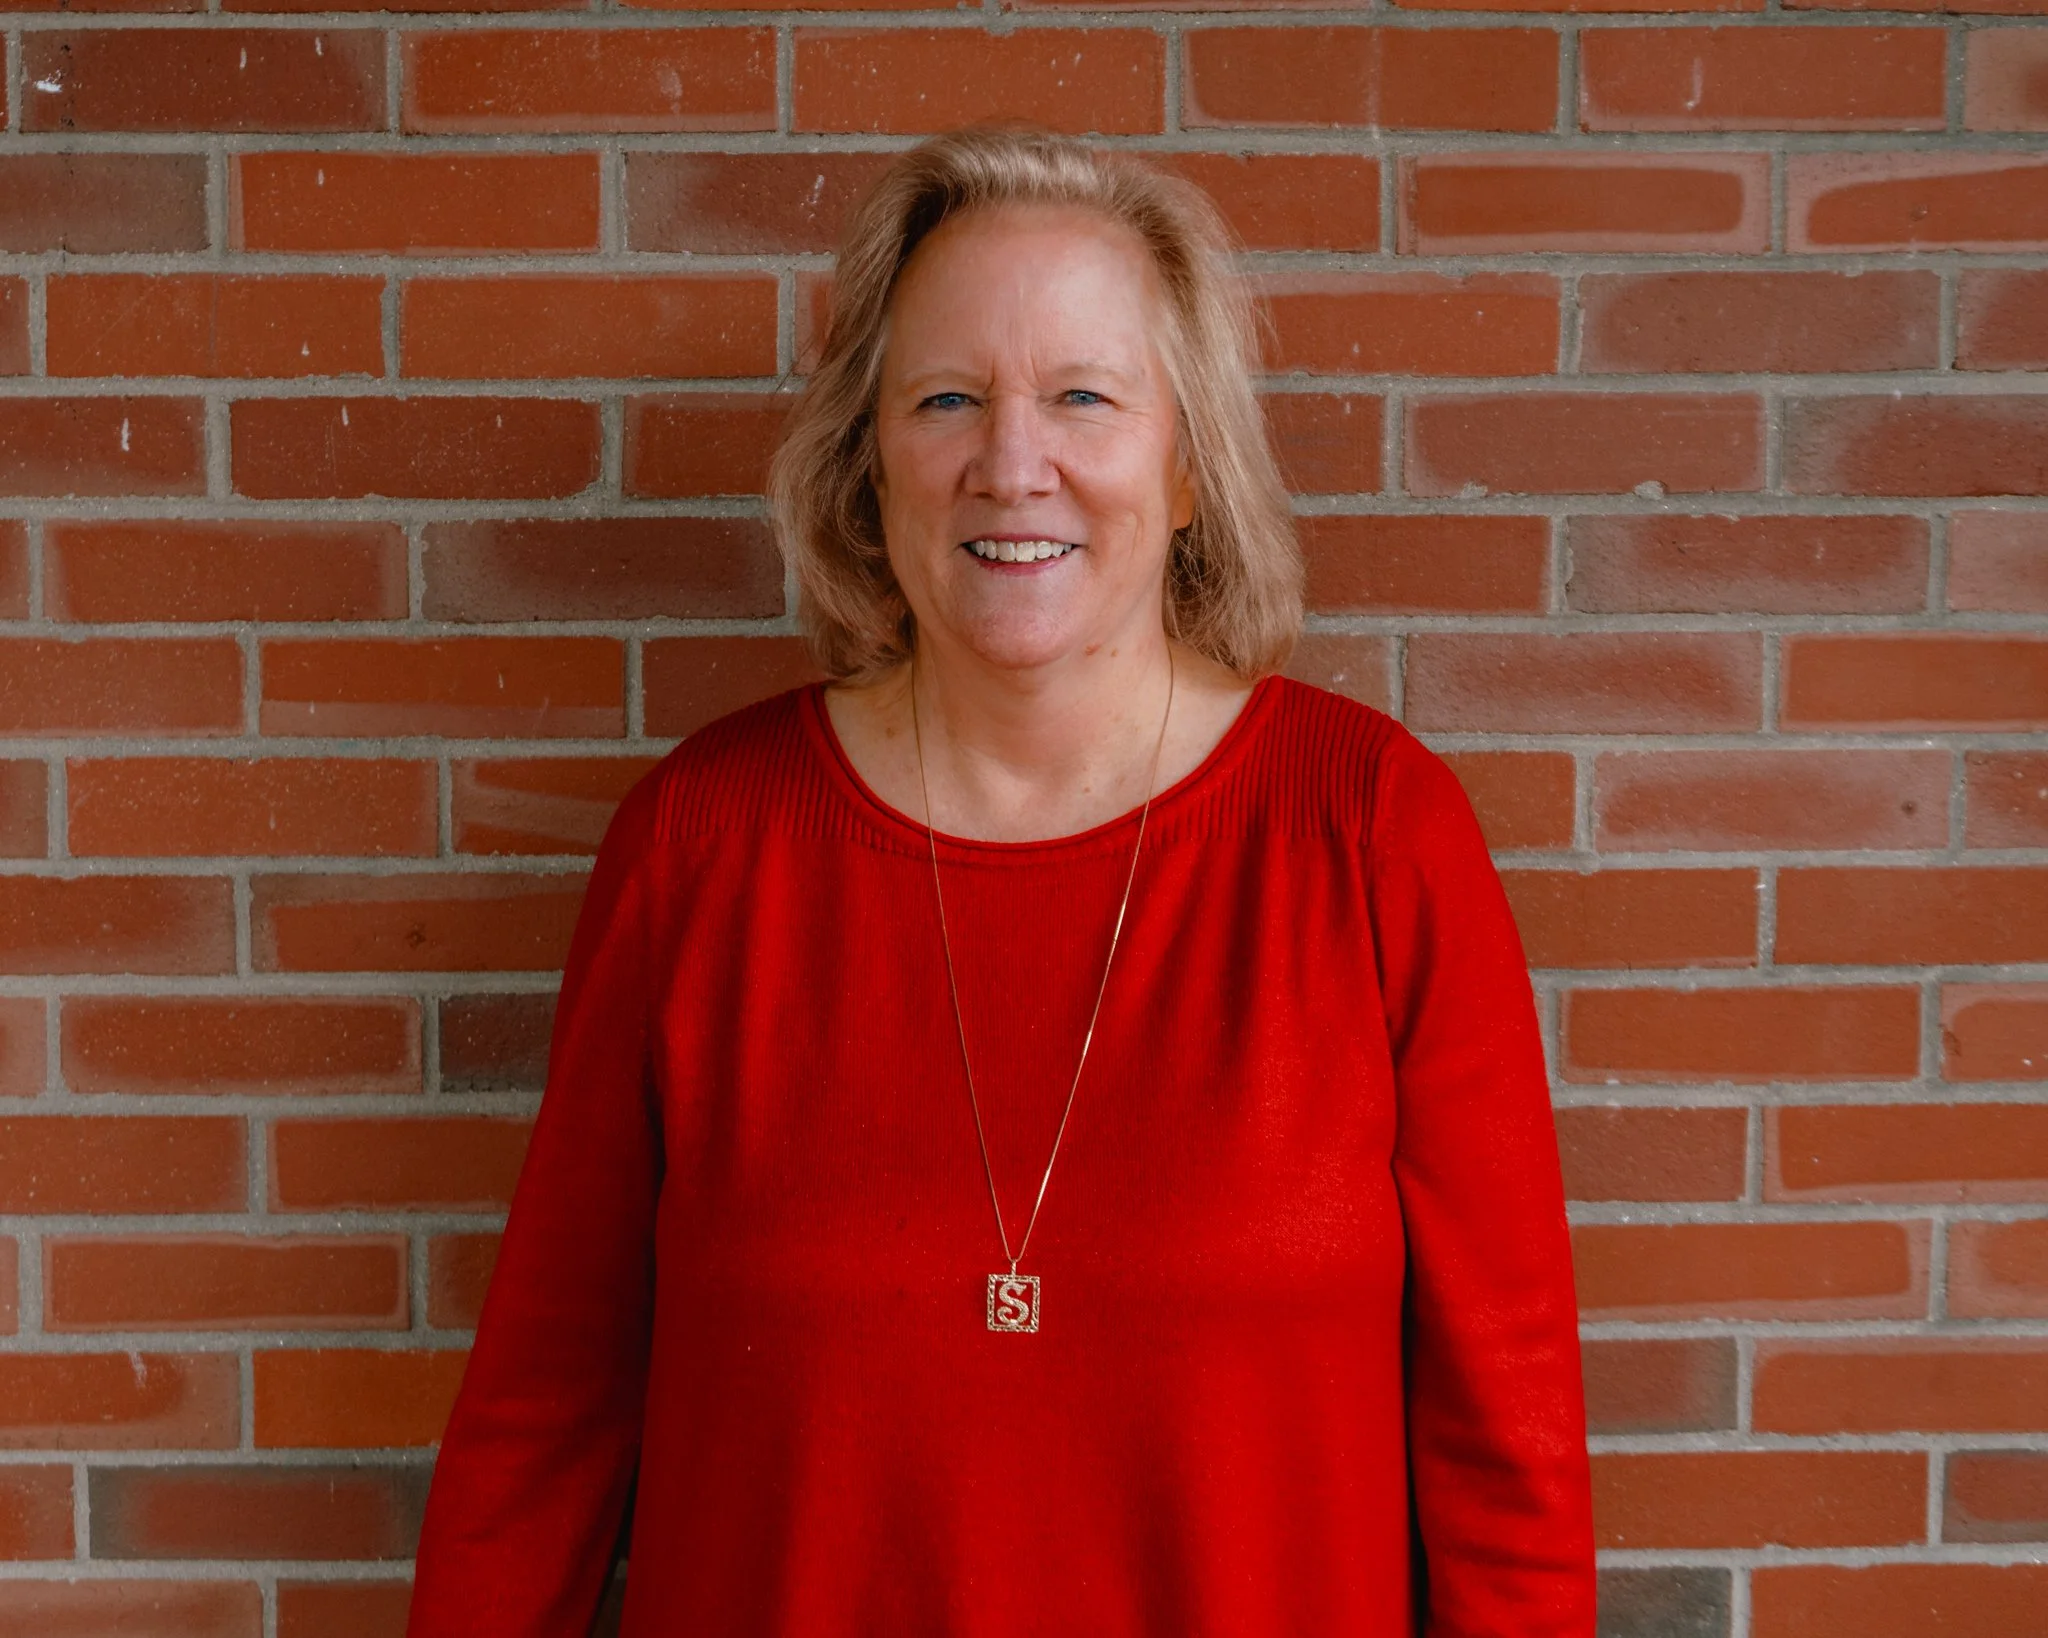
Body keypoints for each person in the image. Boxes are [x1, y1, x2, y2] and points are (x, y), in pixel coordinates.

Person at [406, 123, 1594, 1637]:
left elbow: (1509, 1462)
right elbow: (544, 1420)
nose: (1010, 463)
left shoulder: (1369, 839)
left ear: (1183, 469)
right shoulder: (703, 849)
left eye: (1085, 398)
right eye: (948, 398)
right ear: (870, 458)